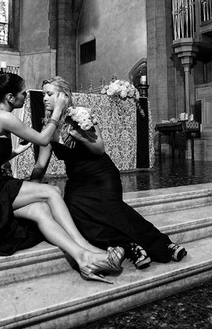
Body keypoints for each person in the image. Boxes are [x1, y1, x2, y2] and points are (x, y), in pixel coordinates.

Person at [0, 71, 125, 283]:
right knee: (52, 192)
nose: (26, 96)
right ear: (10, 97)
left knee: (40, 210)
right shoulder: (3, 116)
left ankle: (82, 259)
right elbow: (43, 139)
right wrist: (57, 111)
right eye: (22, 93)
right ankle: (87, 247)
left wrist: (16, 152)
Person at [30, 77, 187, 269]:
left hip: (101, 174)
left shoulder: (80, 114)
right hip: (78, 181)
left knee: (111, 210)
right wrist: (31, 188)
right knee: (74, 214)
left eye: (49, 94)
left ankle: (164, 245)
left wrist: (81, 137)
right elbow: (41, 163)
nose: (44, 98)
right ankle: (130, 246)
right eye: (44, 94)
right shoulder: (48, 128)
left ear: (64, 96)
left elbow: (99, 149)